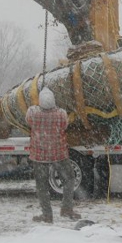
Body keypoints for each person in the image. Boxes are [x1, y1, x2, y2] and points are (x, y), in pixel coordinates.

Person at [26, 87, 81, 223]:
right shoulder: (61, 114)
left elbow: (28, 121)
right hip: (59, 154)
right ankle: (66, 208)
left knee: (42, 186)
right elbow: (65, 126)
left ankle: (47, 215)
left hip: (39, 155)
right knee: (69, 179)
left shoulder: (33, 112)